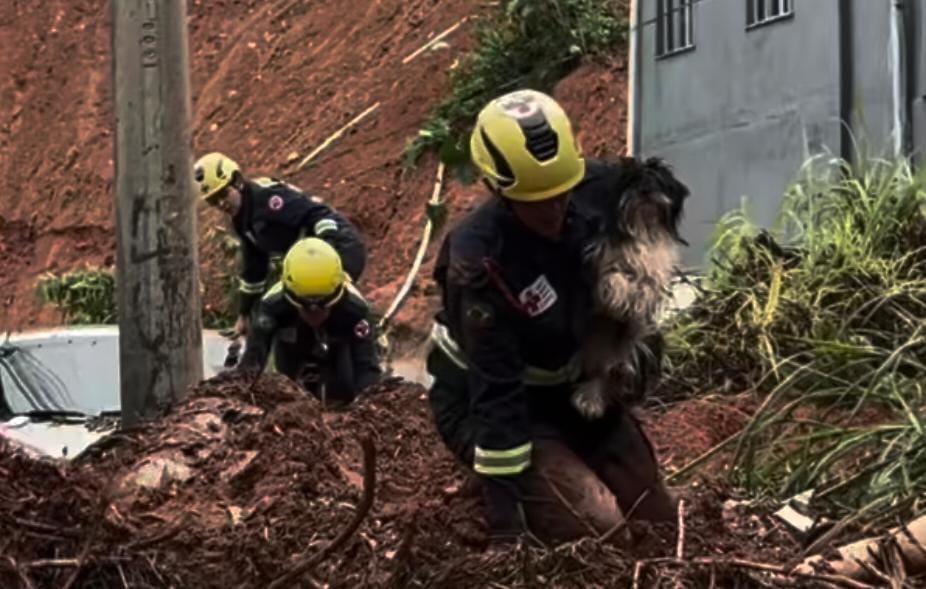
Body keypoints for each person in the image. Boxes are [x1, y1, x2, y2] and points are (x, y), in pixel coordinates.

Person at [425, 89, 676, 547]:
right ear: (499, 189)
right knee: (599, 531)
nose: (555, 209)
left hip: (568, 390)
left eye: (561, 194)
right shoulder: (480, 264)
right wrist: (507, 530)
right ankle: (488, 496)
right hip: (492, 399)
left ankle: (559, 469)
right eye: (537, 200)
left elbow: (651, 187)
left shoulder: (596, 190)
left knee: (657, 523)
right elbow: (495, 393)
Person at [193, 152, 367, 337]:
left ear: (237, 181)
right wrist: (244, 315)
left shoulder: (268, 198)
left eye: (223, 194)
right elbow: (254, 269)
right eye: (213, 200)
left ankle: (369, 344)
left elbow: (316, 213)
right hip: (309, 259)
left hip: (339, 246)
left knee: (322, 306)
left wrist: (329, 248)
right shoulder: (242, 218)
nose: (221, 203)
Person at [237, 237, 382, 406]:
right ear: (290, 296)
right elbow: (252, 362)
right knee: (286, 390)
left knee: (347, 388)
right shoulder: (271, 307)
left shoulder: (355, 310)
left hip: (340, 340)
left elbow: (366, 367)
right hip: (293, 344)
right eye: (305, 306)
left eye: (323, 304)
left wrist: (370, 407)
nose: (315, 314)